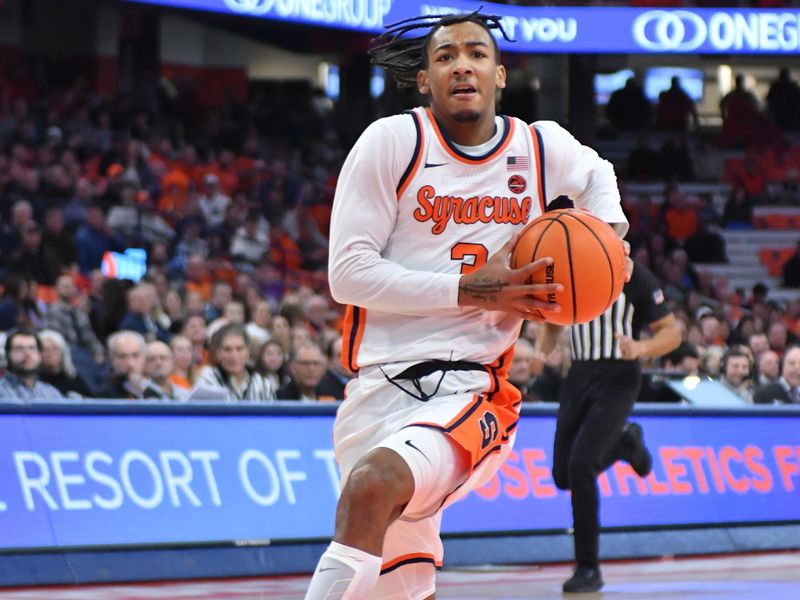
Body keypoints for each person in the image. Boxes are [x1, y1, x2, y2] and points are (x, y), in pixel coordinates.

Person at [304, 11, 628, 599]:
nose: (462, 65)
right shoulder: (393, 142)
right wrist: (467, 287)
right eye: (446, 55)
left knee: (373, 485)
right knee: (403, 586)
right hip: (374, 389)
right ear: (425, 79)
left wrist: (611, 233)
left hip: (473, 391)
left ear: (499, 74)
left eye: (476, 54)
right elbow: (347, 275)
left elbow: (598, 172)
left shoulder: (539, 145)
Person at [550, 259, 680, 593]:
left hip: (619, 377)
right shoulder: (567, 265)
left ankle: (588, 567)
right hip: (578, 374)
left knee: (581, 466)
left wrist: (641, 348)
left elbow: (672, 333)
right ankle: (624, 444)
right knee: (563, 475)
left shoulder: (633, 274)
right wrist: (543, 349)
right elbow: (551, 317)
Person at [191, 323, 275, 402]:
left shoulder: (262, 384)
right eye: (227, 349)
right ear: (218, 353)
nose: (234, 356)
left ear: (248, 352)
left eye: (239, 349)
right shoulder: (208, 379)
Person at [0, 328, 63, 401]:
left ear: (39, 355)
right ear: (8, 354)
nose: (27, 353)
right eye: (19, 348)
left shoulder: (51, 393)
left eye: (32, 348)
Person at [38, 329, 93, 398]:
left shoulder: (73, 379)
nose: (50, 354)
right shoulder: (35, 380)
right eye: (45, 350)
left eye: (54, 349)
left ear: (63, 352)